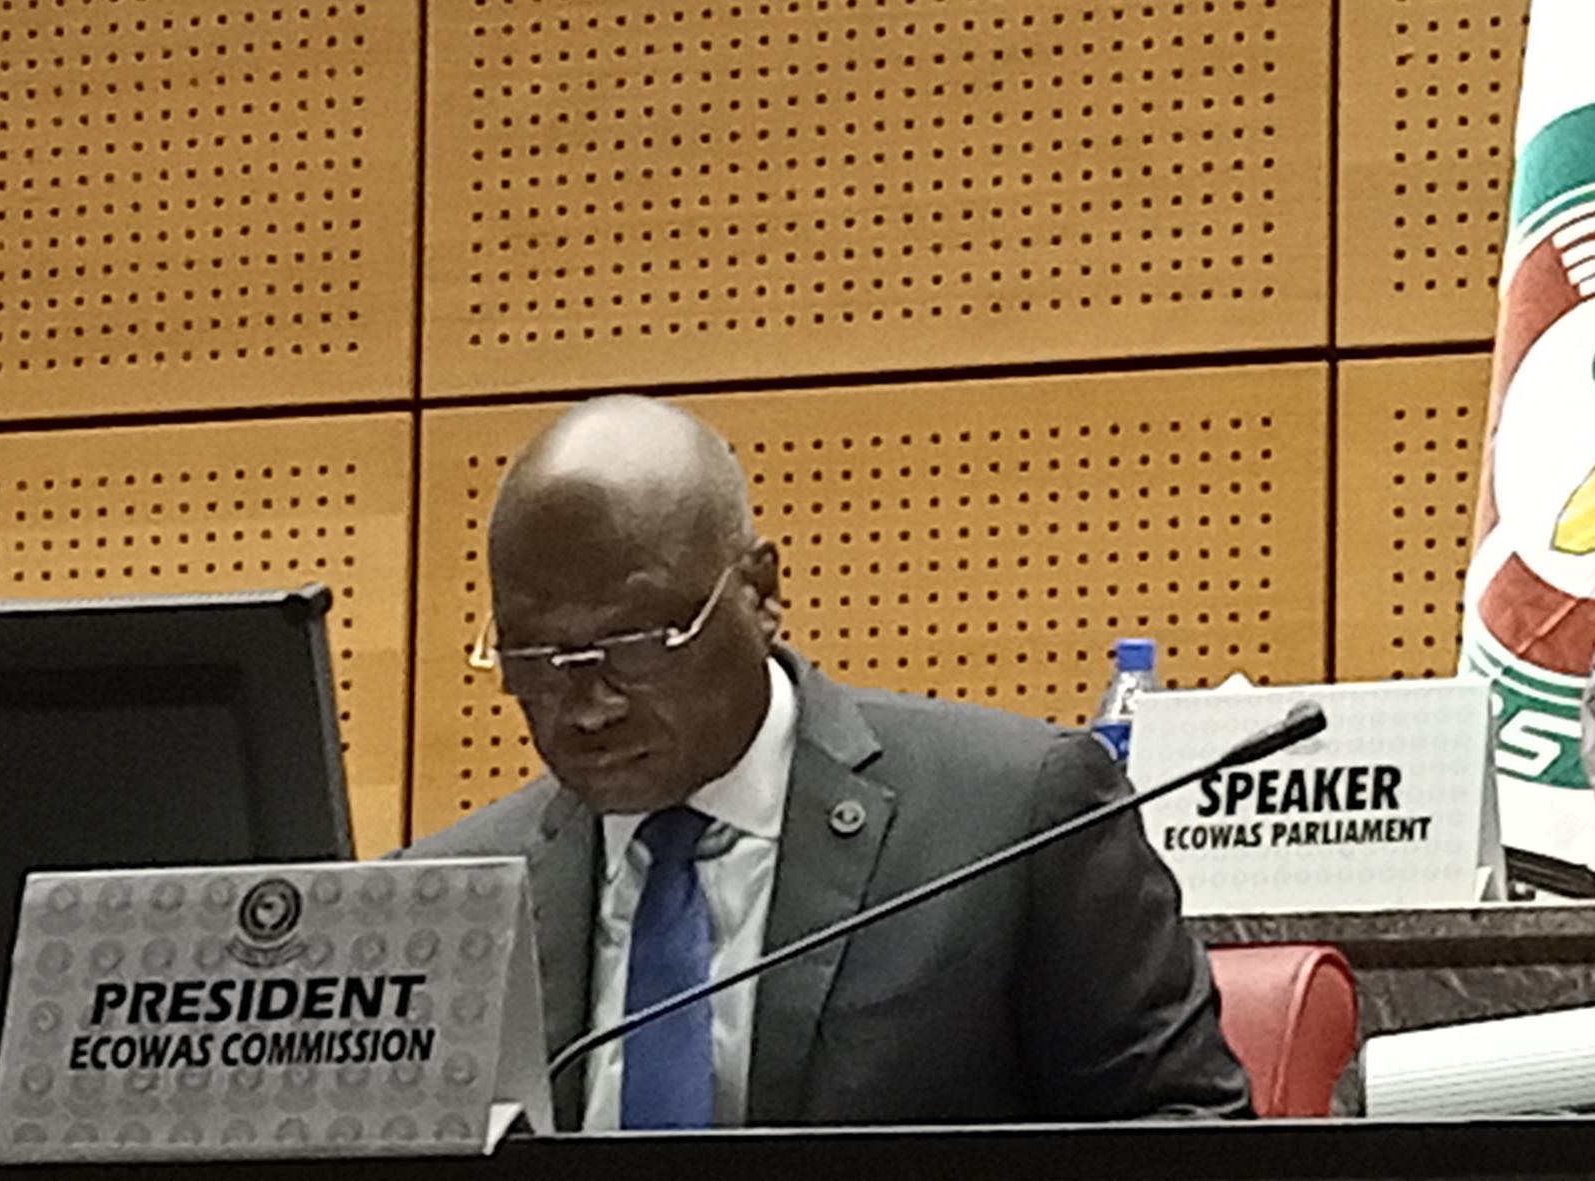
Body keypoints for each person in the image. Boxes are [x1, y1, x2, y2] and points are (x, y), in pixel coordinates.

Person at [402, 394, 1253, 1130]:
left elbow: (1194, 1152)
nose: (589, 707)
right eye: (537, 661)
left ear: (761, 592)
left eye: (642, 644)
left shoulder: (1015, 824)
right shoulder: (440, 898)